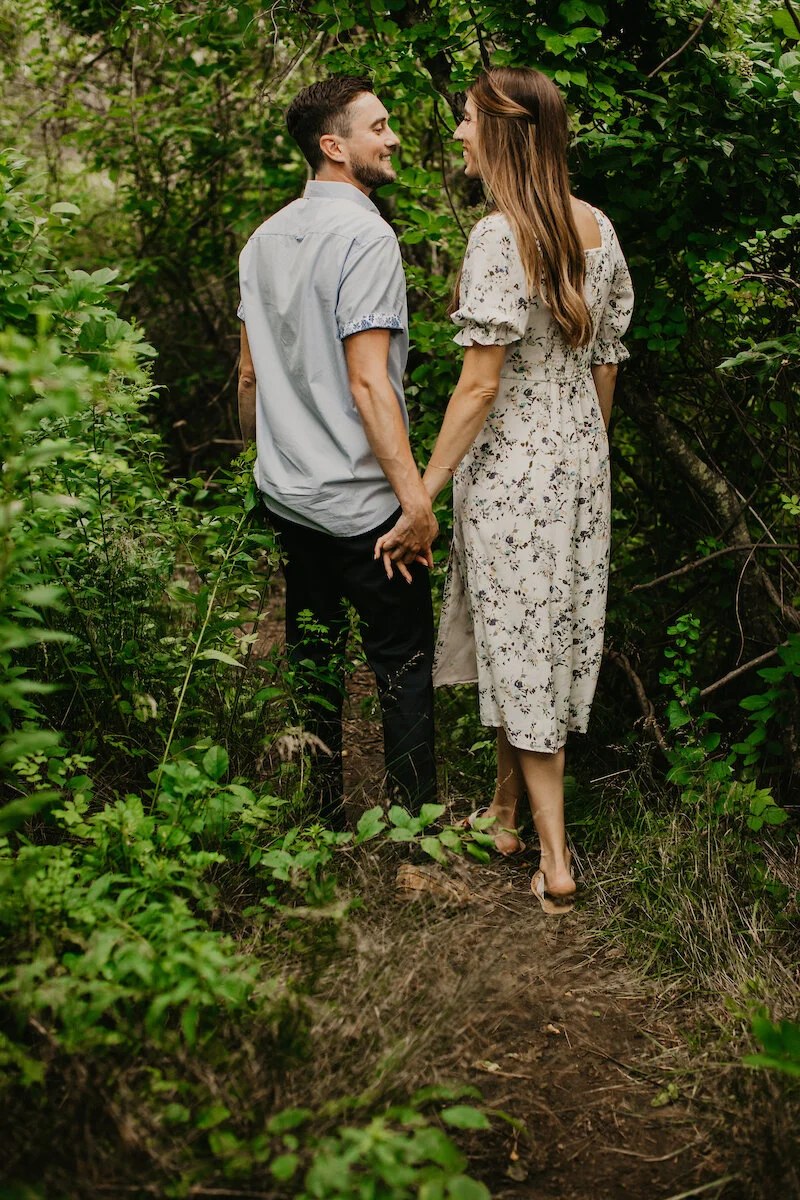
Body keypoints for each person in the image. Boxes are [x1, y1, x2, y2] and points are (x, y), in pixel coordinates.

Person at [375, 67, 634, 911]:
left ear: (506, 133)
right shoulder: (597, 228)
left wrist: (425, 488)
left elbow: (478, 386)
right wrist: (587, 456)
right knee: (534, 637)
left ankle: (557, 867)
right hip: (578, 467)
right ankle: (504, 811)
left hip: (512, 471)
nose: (457, 136)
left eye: (468, 123)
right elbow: (603, 366)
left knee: (524, 648)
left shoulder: (498, 236)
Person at [237, 75, 438, 828]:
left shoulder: (262, 241)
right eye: (378, 127)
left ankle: (320, 825)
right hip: (363, 503)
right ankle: (417, 842)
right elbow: (369, 383)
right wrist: (415, 502)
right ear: (335, 147)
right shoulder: (366, 236)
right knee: (402, 667)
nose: (391, 138)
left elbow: (250, 373)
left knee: (313, 662)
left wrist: (262, 469)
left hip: (289, 495)